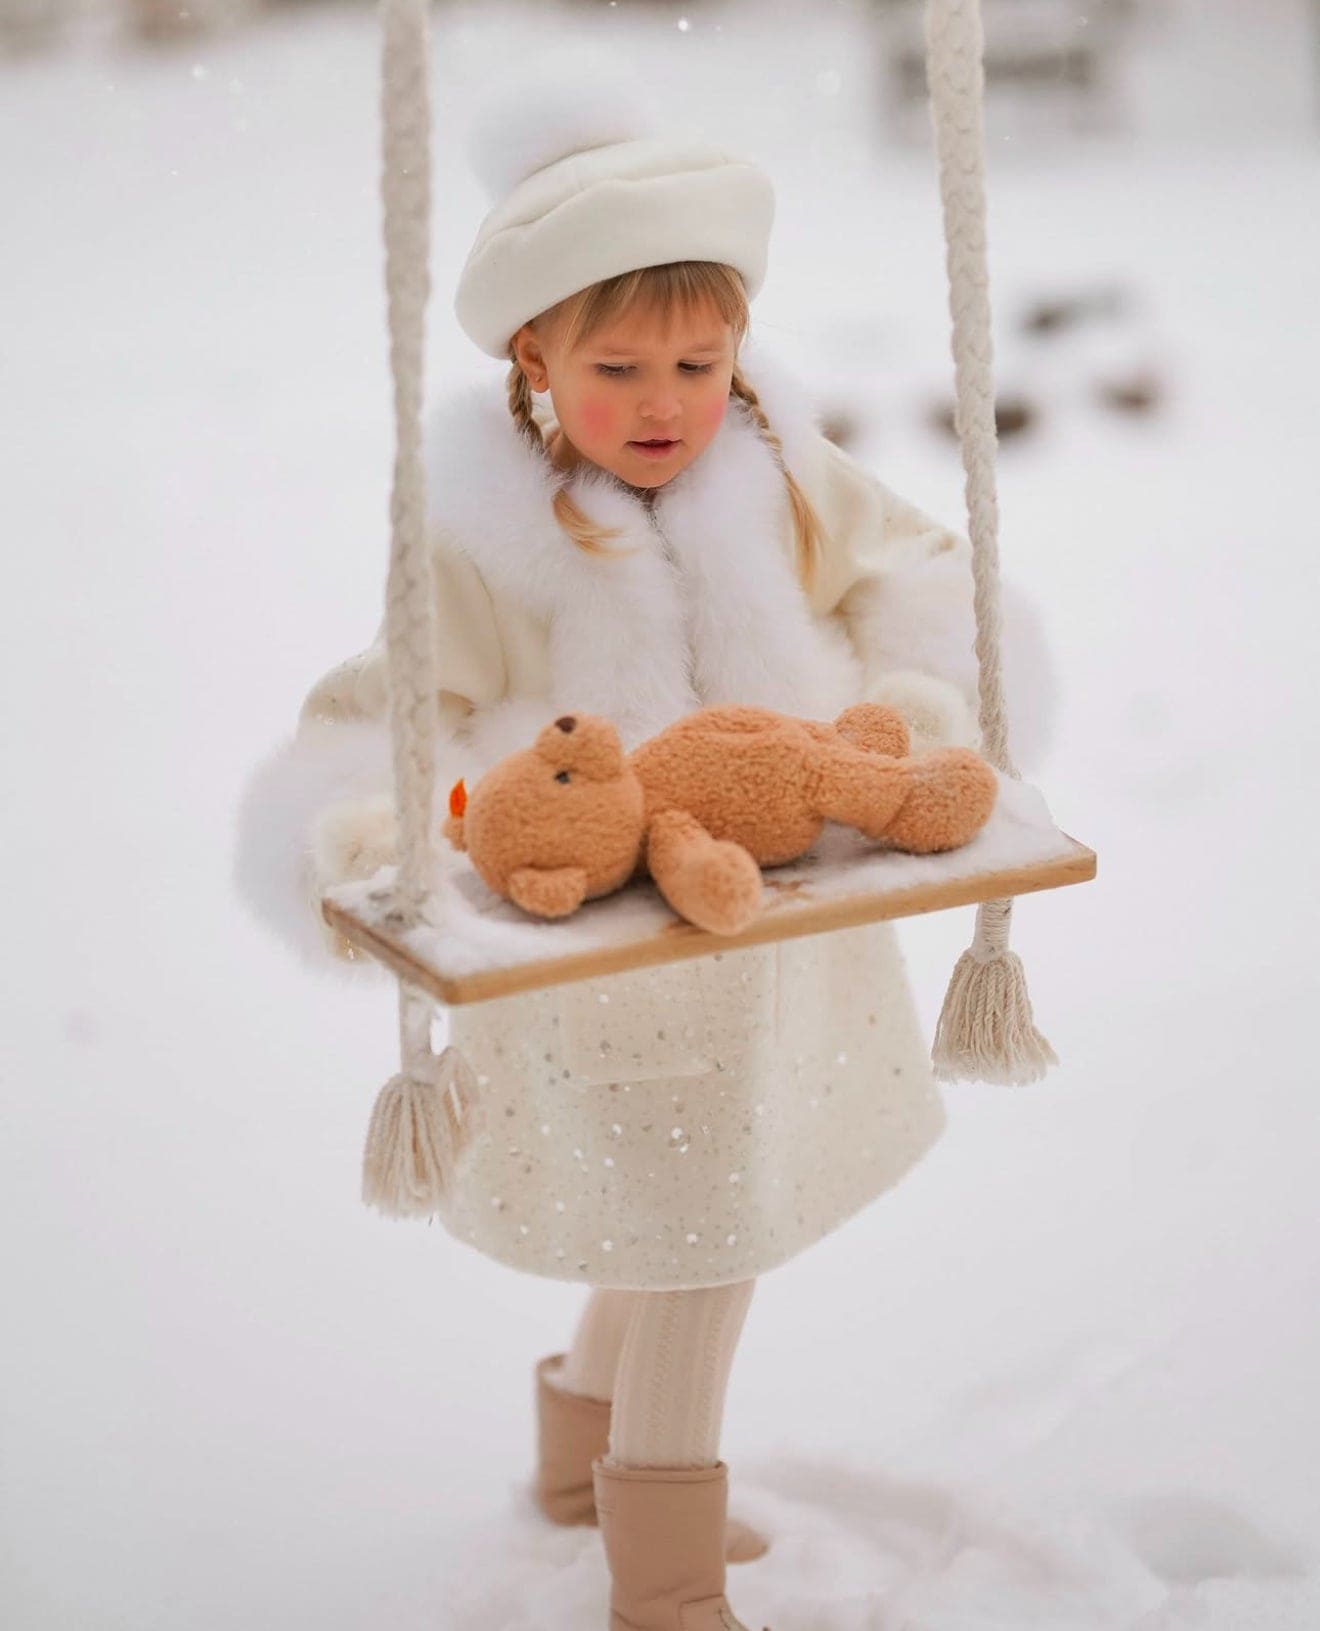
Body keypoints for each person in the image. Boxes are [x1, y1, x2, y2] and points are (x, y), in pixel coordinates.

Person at [235, 52, 1045, 1631]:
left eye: (697, 360)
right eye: (618, 370)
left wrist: (907, 702)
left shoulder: (783, 471)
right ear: (536, 358)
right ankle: (661, 1585)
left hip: (777, 923)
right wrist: (365, 828)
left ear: (739, 347)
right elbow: (388, 700)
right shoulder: (485, 531)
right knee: (698, 1240)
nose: (663, 405)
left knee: (692, 1200)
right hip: (597, 938)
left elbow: (919, 575)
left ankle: (573, 1465)